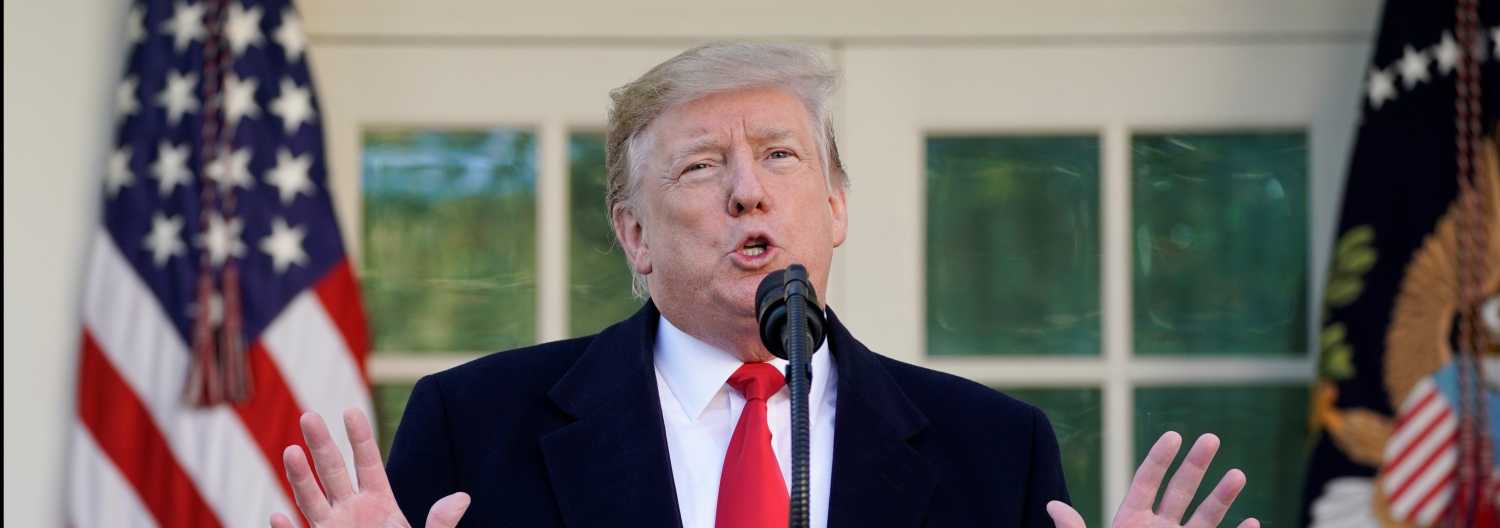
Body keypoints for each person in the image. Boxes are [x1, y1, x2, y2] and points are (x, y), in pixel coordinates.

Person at [269, 42, 1259, 528]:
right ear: (634, 236)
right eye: (701, 167)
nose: (749, 192)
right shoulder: (472, 428)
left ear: (835, 205)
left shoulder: (994, 455)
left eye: (781, 156)